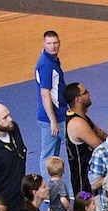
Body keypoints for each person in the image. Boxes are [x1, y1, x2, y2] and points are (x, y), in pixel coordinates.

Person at [35, 32, 67, 166]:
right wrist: (53, 121)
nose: (53, 46)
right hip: (54, 117)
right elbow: (45, 93)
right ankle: (49, 185)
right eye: (49, 43)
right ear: (43, 44)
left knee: (52, 154)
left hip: (57, 114)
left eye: (55, 43)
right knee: (49, 156)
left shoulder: (52, 60)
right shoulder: (46, 65)